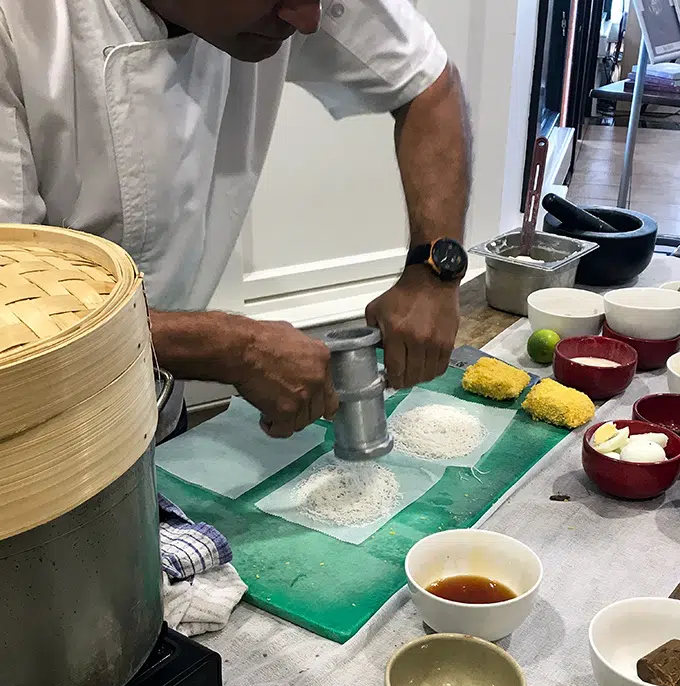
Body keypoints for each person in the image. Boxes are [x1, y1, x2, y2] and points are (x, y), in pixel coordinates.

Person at [0, 0, 471, 440]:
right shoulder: (18, 24)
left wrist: (433, 270)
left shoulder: (295, 8)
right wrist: (232, 349)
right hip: (33, 439)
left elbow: (429, 84)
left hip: (156, 404)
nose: (308, 19)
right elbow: (14, 313)